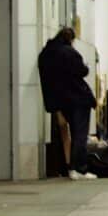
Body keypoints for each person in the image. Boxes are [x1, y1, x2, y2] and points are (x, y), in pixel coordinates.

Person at [36, 27, 94, 179]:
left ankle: (68, 168)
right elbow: (82, 70)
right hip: (78, 98)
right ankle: (79, 168)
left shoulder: (46, 53)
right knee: (79, 134)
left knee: (67, 133)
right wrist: (86, 67)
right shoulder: (69, 52)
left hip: (60, 101)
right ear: (71, 39)